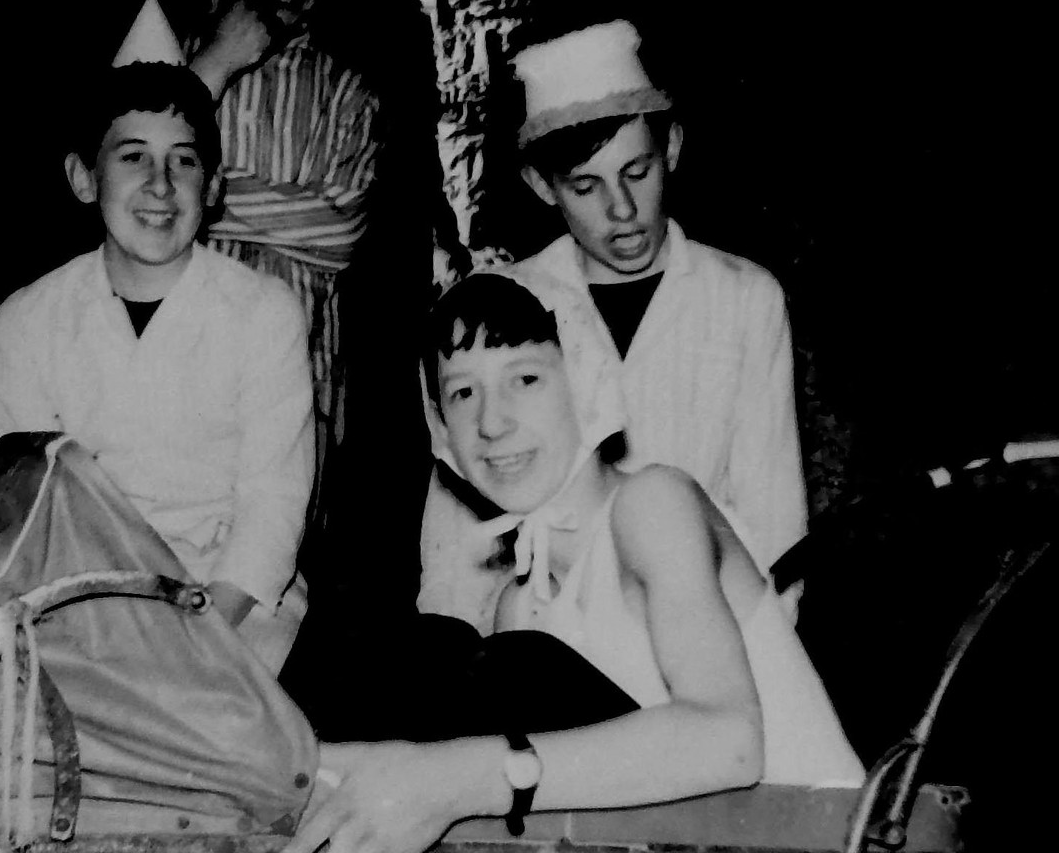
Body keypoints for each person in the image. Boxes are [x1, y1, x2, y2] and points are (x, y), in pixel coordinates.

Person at [284, 273, 861, 853]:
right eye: (463, 393)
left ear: (586, 383)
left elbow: (732, 743)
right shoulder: (522, 602)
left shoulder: (652, 504)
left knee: (486, 661)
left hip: (812, 836)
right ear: (440, 427)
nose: (492, 423)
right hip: (684, 842)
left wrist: (457, 777)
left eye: (525, 379)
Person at [419, 19, 809, 631]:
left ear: (671, 147)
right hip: (542, 637)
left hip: (705, 629)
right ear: (542, 186)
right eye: (585, 186)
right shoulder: (507, 305)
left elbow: (774, 523)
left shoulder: (742, 297)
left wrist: (763, 656)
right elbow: (458, 545)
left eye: (637, 171)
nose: (621, 210)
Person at [0, 0, 315, 673]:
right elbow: (31, 511)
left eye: (184, 161)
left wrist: (195, 633)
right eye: (132, 157)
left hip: (232, 607)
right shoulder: (27, 322)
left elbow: (272, 510)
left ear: (213, 187)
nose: (161, 186)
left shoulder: (264, 313)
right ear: (84, 178)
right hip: (75, 606)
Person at [184, 0, 381, 533]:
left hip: (304, 385)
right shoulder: (167, 61)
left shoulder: (347, 93)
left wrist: (203, 195)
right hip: (176, 374)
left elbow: (342, 233)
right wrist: (214, 65)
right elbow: (128, 199)